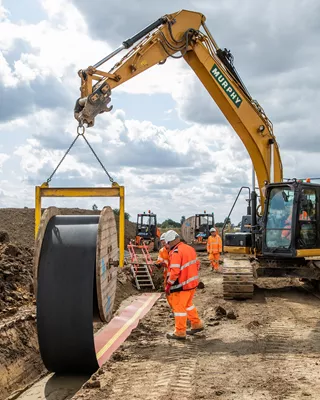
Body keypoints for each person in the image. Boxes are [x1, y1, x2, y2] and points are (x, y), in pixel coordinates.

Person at [164, 230, 204, 340]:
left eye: (167, 243)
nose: (166, 245)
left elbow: (175, 272)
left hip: (182, 286)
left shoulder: (176, 252)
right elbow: (197, 264)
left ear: (171, 242)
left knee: (179, 308)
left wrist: (168, 285)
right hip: (192, 283)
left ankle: (180, 332)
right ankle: (196, 324)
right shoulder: (189, 248)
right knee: (188, 305)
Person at [154, 233, 172, 309]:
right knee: (168, 293)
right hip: (167, 275)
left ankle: (177, 309)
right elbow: (159, 260)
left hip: (175, 274)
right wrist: (159, 264)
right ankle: (173, 308)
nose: (163, 244)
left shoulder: (174, 250)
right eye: (162, 242)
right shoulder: (162, 251)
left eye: (164, 242)